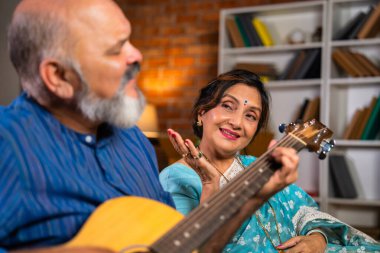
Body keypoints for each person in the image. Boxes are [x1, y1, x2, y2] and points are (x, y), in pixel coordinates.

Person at [0, 1, 300, 253]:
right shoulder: (8, 142)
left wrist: (256, 197)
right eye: (115, 49)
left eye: (129, 40)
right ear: (58, 76)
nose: (137, 56)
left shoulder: (133, 140)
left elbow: (189, 247)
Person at [160, 69, 380, 253]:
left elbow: (306, 211)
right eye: (228, 105)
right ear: (202, 113)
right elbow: (191, 248)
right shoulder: (176, 178)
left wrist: (317, 239)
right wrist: (211, 184)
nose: (237, 122)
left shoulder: (258, 165)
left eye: (251, 115)